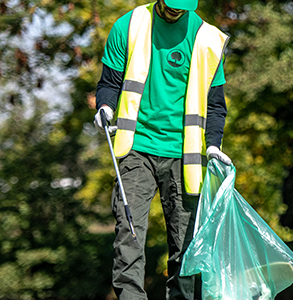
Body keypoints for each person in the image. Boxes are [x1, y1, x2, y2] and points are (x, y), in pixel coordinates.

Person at [92, 0, 232, 298]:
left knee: (186, 246)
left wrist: (214, 145)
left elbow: (216, 104)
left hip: (185, 157)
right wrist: (105, 106)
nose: (175, 11)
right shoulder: (128, 26)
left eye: (183, 6)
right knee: (129, 237)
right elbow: (109, 82)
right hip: (135, 148)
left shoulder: (207, 39)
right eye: (171, 4)